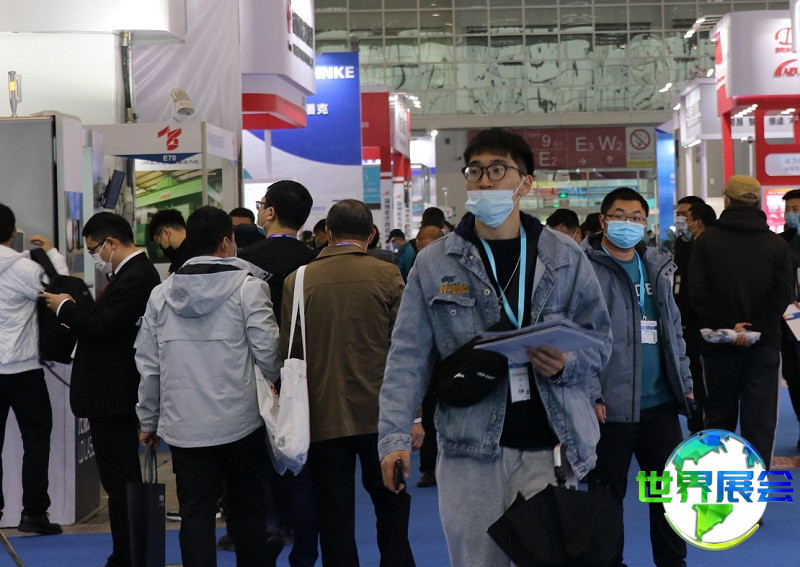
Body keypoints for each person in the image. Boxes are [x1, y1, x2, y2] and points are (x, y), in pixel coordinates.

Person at [377, 128, 612, 566]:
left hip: (550, 446)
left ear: (525, 182)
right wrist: (394, 435)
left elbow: (600, 341)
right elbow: (407, 356)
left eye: (498, 169)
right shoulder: (435, 262)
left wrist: (566, 362)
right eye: (475, 170)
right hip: (469, 453)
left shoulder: (564, 255)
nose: (484, 180)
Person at [135, 206, 282, 567]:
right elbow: (267, 352)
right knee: (248, 508)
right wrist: (271, 384)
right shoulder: (249, 288)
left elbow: (149, 366)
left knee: (195, 513)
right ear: (227, 242)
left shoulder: (160, 295)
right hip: (241, 421)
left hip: (184, 426)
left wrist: (148, 419)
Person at [281, 200, 413, 567]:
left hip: (321, 412)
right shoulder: (388, 275)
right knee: (392, 500)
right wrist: (414, 415)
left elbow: (288, 351)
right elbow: (406, 349)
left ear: (327, 233)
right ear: (371, 234)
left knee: (334, 512)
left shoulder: (298, 280)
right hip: (382, 413)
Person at [41, 212, 160, 567]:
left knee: (121, 482)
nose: (95, 256)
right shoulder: (127, 275)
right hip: (109, 394)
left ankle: (127, 555)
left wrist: (65, 308)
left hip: (114, 395)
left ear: (111, 243)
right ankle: (127, 552)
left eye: (94, 249)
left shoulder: (137, 276)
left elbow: (104, 327)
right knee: (120, 480)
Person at [582, 187, 693, 567]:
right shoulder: (584, 268)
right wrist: (591, 393)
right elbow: (576, 337)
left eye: (636, 218)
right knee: (605, 498)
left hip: (660, 404)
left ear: (645, 223)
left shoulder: (657, 265)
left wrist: (686, 384)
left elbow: (673, 329)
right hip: (609, 407)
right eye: (619, 216)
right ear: (603, 220)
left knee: (669, 496)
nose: (627, 224)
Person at [237, 181, 319, 566]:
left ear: (270, 212)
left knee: (258, 457)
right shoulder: (315, 261)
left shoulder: (245, 260)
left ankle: (268, 527)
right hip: (304, 370)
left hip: (254, 370)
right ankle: (304, 540)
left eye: (261, 204)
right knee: (300, 454)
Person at [690, 175, 792, 469]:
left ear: (726, 199)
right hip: (764, 346)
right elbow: (782, 294)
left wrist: (729, 327)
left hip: (718, 345)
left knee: (717, 420)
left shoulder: (706, 241)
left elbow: (698, 293)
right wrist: (753, 328)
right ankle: (754, 491)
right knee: (760, 423)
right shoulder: (776, 244)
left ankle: (716, 488)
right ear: (757, 202)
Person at [0, 204, 67, 535]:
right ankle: (34, 513)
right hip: (23, 369)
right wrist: (52, 254)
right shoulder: (26, 268)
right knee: (36, 440)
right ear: (13, 232)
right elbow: (62, 292)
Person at [672, 200, 716, 433]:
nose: (680, 220)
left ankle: (707, 425)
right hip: (686, 322)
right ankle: (696, 424)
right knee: (692, 376)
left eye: (684, 216)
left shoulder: (712, 245)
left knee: (705, 378)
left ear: (698, 221)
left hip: (706, 322)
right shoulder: (682, 244)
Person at [411, 225, 444, 488]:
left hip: (454, 353)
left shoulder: (457, 269)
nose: (424, 255)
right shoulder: (415, 272)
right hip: (427, 354)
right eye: (420, 250)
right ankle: (429, 468)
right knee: (429, 413)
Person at [779, 189, 800, 449]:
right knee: (794, 377)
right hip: (790, 321)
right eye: (788, 210)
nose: (791, 214)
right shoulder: (780, 243)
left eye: (796, 209)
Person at [396, 207, 446, 281]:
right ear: (443, 225)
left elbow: (398, 274)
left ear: (422, 223)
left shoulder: (406, 248)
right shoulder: (449, 246)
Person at [148, 208, 192, 274]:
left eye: (160, 244)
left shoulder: (183, 260)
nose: (162, 248)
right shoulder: (200, 247)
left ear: (166, 232)